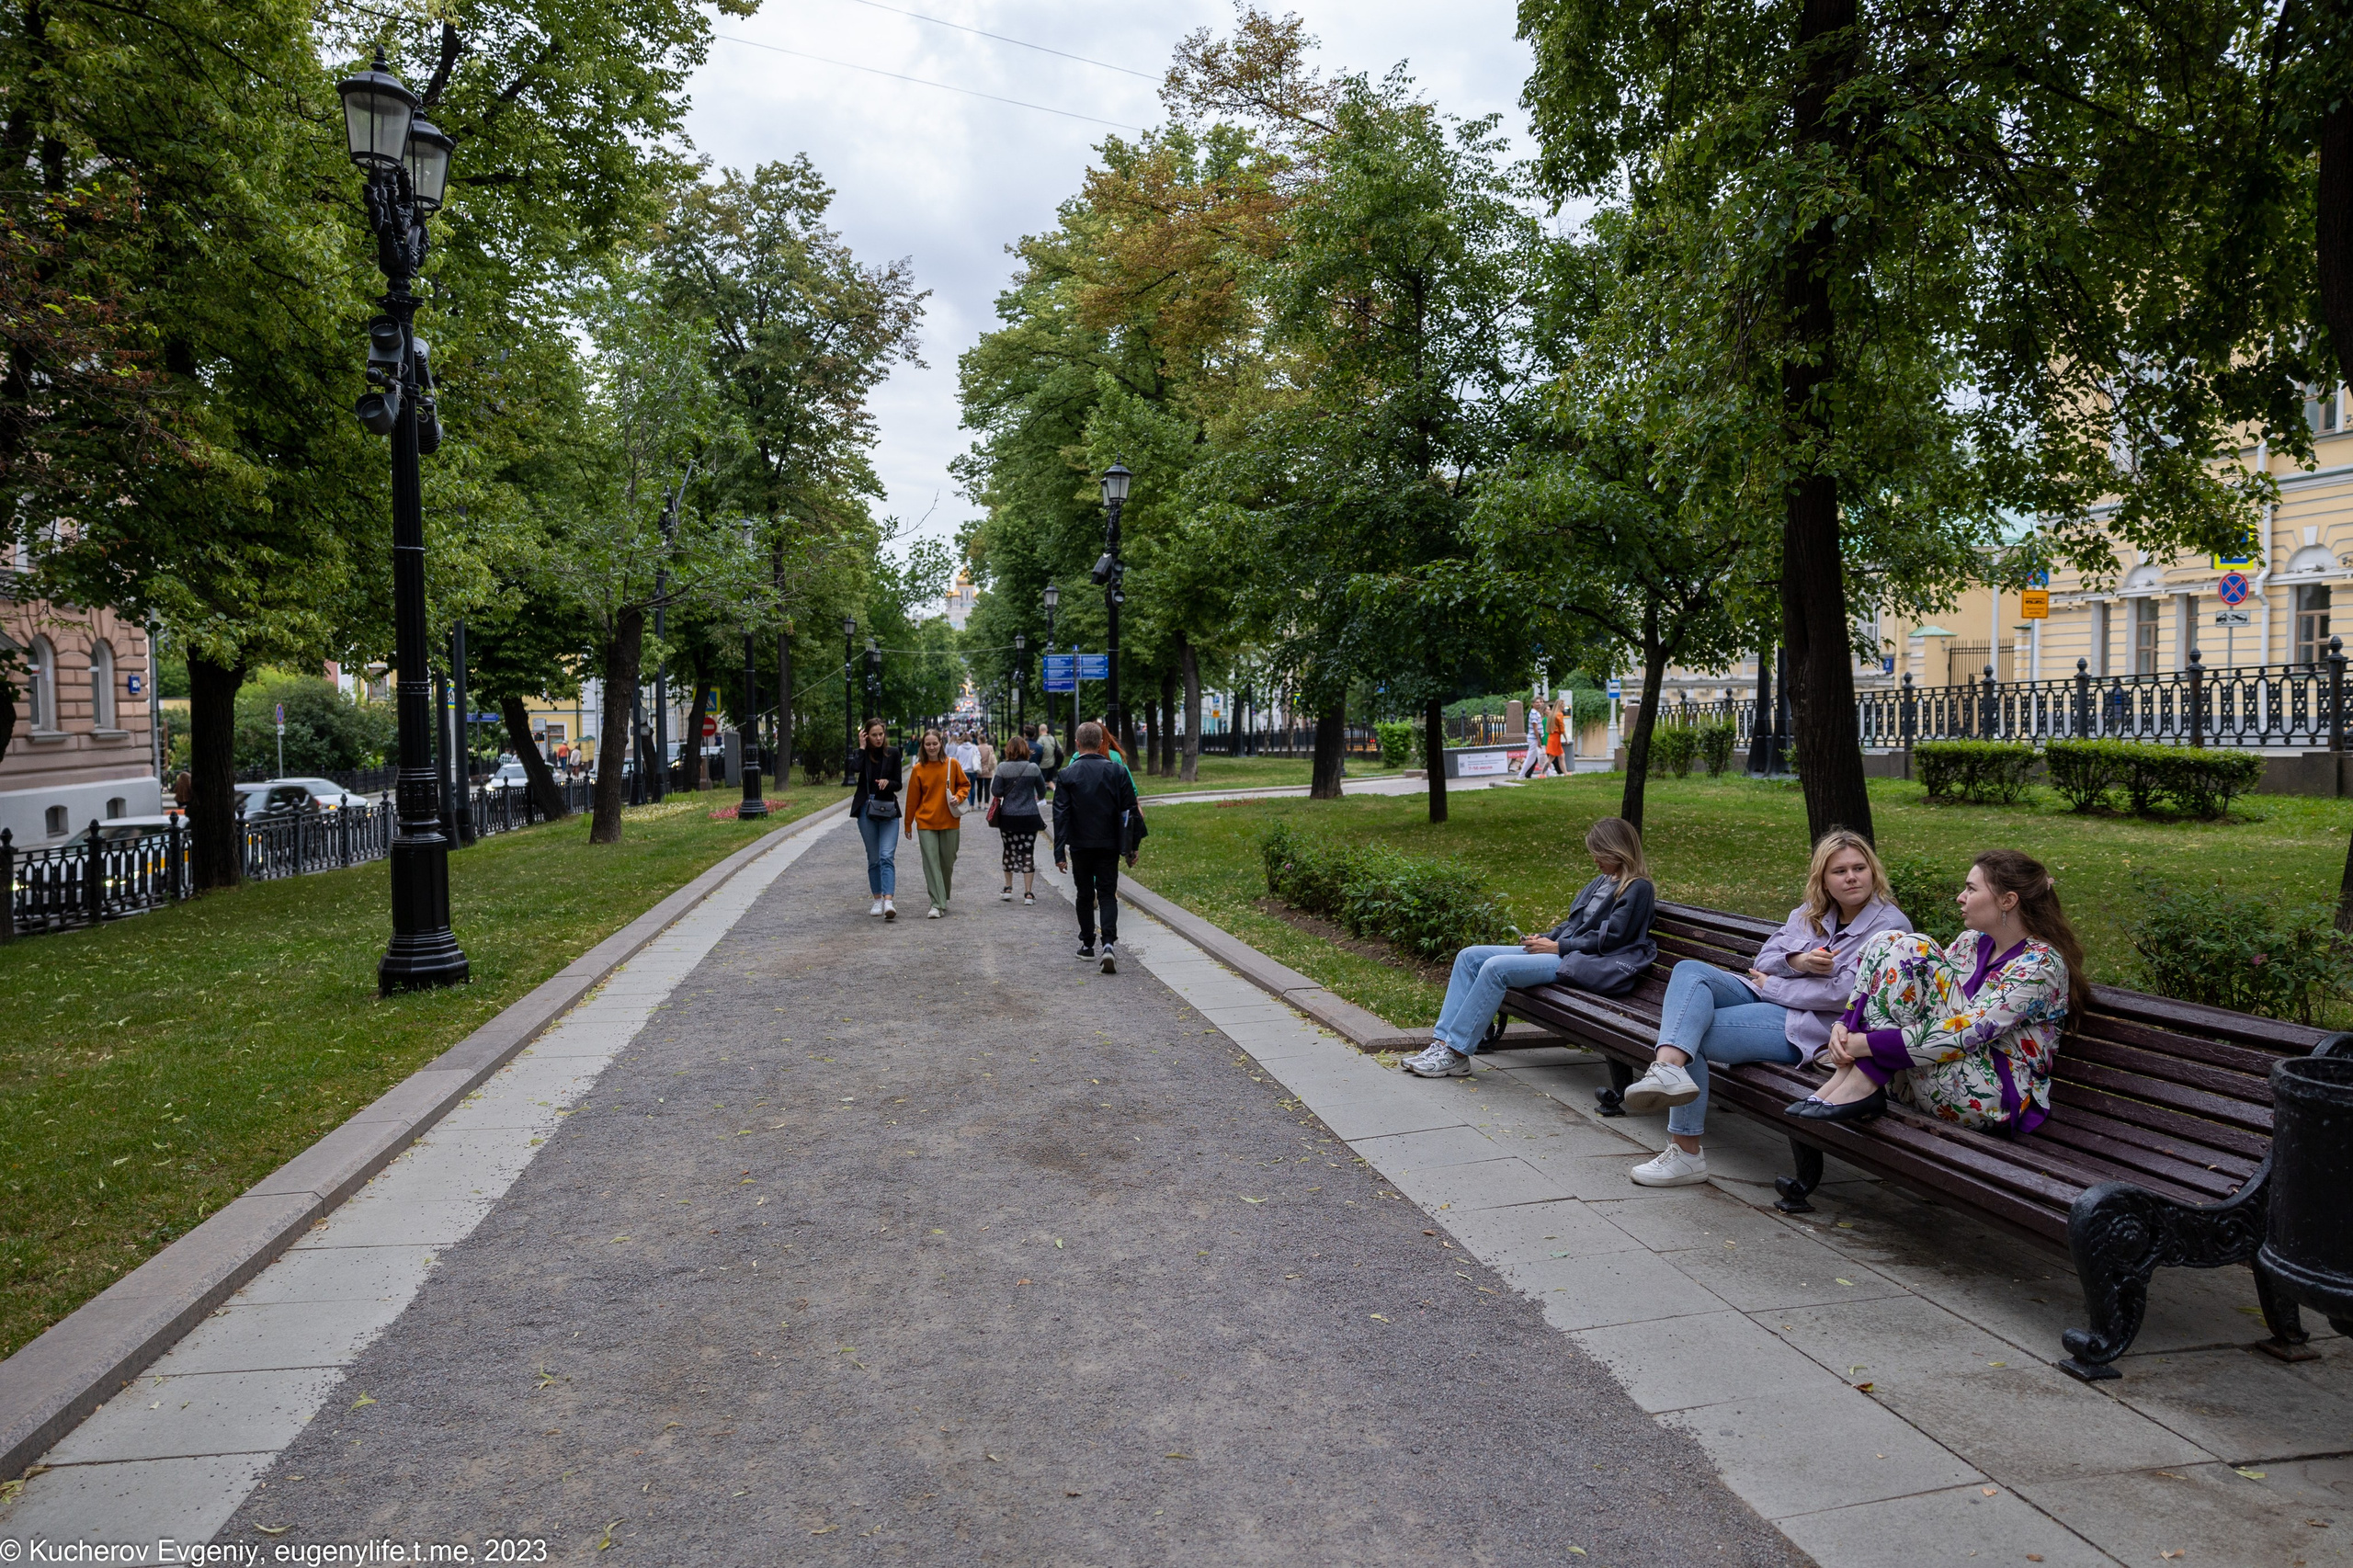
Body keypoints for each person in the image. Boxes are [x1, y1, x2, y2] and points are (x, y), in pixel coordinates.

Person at [1612, 830, 1912, 1186]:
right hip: (1769, 997)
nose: (1851, 877)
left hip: (1812, 1024)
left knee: (1696, 1035)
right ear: (1824, 880)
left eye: (1859, 868)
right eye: (1839, 871)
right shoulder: (1809, 913)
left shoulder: (1890, 926)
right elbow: (1765, 958)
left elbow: (1844, 995)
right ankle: (1666, 1068)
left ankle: (1686, 1152)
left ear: (1872, 872)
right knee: (1689, 971)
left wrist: (1774, 985)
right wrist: (1799, 961)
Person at [1793, 848, 2083, 1129]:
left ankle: (1860, 1081)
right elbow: (1912, 995)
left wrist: (1863, 1045)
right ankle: (1851, 1081)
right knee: (1888, 940)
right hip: (1925, 1076)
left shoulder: (2040, 965)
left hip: (1990, 1097)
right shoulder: (1970, 942)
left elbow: (1968, 1031)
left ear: (2007, 900)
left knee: (1914, 946)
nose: (1961, 897)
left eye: (1971, 889)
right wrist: (1844, 1025)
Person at [1404, 818, 1657, 1078]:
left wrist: (1558, 947)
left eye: (1599, 853)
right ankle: (1442, 1043)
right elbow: (1573, 923)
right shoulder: (1603, 880)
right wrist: (1544, 939)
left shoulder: (1638, 888)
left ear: (1617, 850)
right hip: (1565, 951)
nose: (1594, 859)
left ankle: (1457, 1054)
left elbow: (1614, 939)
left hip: (1583, 962)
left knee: (1495, 969)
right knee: (1469, 956)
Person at [1052, 720, 1143, 972]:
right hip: (1109, 843)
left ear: (1077, 743)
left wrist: (1059, 852)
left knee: (1084, 894)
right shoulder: (1117, 771)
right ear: (1103, 743)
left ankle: (1087, 944)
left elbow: (1061, 815)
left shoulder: (1067, 774)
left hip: (1080, 844)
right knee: (1106, 893)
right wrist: (1131, 847)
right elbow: (1129, 813)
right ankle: (1108, 944)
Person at [902, 729, 970, 919]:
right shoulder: (918, 770)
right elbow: (912, 800)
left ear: (941, 743)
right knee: (931, 864)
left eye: (935, 743)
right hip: (925, 822)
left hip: (950, 820)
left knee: (947, 863)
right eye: (928, 744)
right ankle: (936, 903)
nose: (931, 747)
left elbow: (965, 785)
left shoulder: (952, 764)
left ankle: (943, 896)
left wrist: (959, 796)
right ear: (923, 746)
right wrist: (908, 825)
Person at [849, 719, 903, 921]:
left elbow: (898, 784)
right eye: (874, 735)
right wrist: (862, 748)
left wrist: (888, 783)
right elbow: (854, 769)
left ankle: (889, 901)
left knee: (886, 855)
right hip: (866, 809)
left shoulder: (894, 753)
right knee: (873, 858)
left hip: (888, 809)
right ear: (866, 736)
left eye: (881, 734)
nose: (879, 738)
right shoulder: (862, 753)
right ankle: (877, 899)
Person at [990, 735, 1047, 903]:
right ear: (1025, 749)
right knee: (1027, 851)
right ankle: (1028, 893)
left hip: (1008, 817)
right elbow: (1042, 791)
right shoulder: (1033, 768)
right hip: (1029, 816)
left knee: (1009, 849)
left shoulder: (1002, 768)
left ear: (1008, 750)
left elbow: (996, 791)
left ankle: (1008, 888)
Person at [973, 735, 998, 810]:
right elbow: (992, 757)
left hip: (979, 769)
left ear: (979, 740)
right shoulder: (990, 747)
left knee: (979, 788)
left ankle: (979, 803)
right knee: (987, 788)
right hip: (988, 769)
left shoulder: (977, 747)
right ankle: (986, 805)